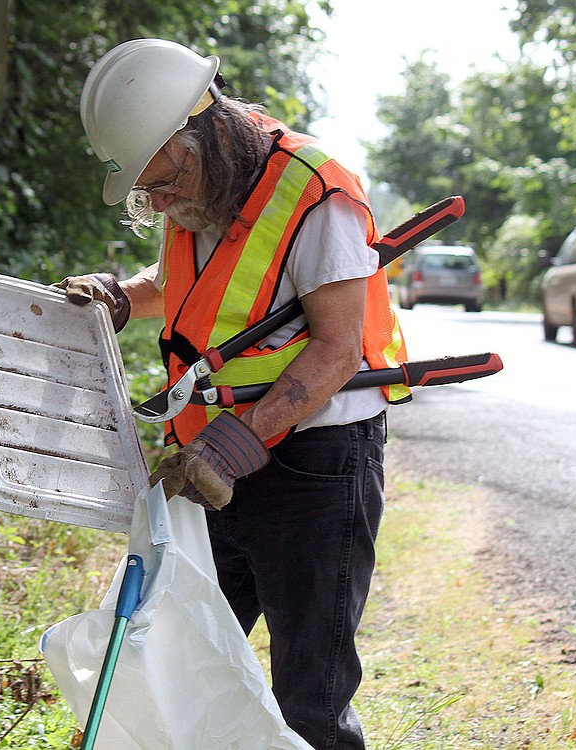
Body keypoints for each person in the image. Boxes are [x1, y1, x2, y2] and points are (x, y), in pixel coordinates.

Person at [57, 39, 411, 750]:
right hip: (209, 464)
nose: (156, 202)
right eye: (146, 192)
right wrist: (120, 298)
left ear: (201, 137)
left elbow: (338, 348)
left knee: (309, 698)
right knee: (180, 661)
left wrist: (243, 437)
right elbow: (182, 285)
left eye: (161, 184)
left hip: (315, 463)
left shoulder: (318, 194)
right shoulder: (198, 189)